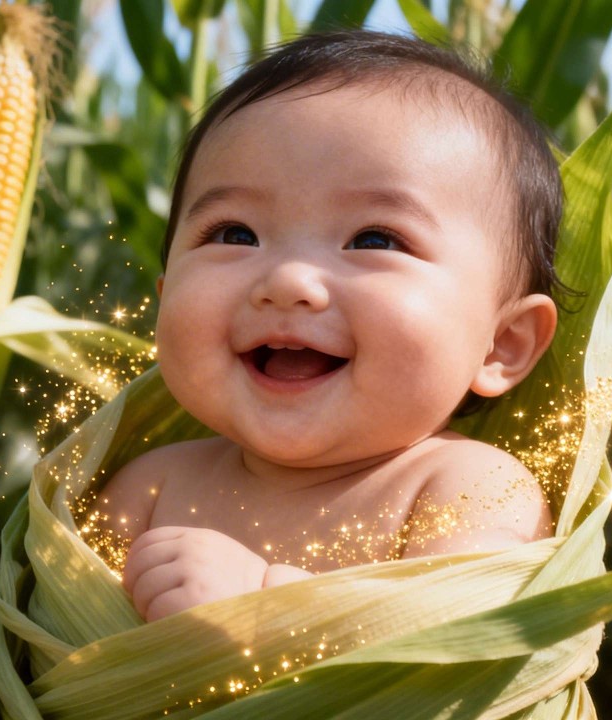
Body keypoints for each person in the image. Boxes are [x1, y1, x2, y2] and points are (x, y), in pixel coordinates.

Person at [91, 30, 563, 623]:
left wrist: (269, 607)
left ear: (501, 344)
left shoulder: (468, 489)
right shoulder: (148, 489)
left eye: (375, 239)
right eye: (236, 233)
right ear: (165, 298)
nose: (288, 280)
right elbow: (49, 646)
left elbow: (462, 657)